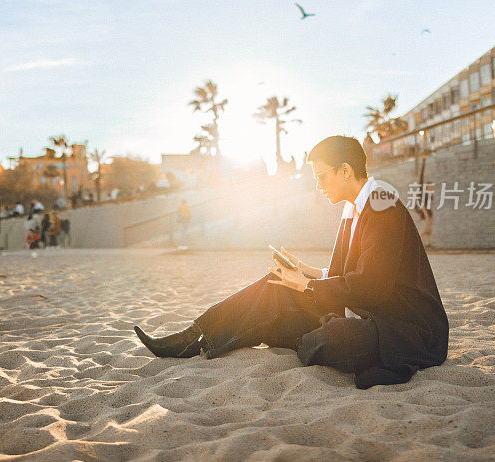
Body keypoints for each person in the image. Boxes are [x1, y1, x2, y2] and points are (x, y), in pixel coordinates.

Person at [134, 136, 449, 389]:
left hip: (408, 329)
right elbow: (346, 275)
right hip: (369, 310)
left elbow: (373, 287)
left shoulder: (382, 206)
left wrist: (309, 285)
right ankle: (193, 336)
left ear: (345, 171)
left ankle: (297, 333)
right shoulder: (354, 207)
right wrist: (307, 272)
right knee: (277, 286)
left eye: (322, 176)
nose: (319, 186)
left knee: (332, 338)